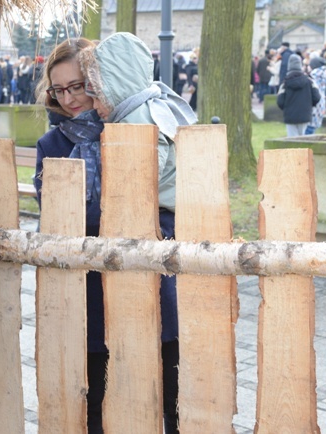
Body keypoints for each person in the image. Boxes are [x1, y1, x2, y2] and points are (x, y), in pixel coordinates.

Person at [79, 31, 198, 434]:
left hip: (153, 228)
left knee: (157, 321)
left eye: (96, 92)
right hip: (163, 225)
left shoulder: (134, 122)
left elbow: (132, 192)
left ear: (114, 82)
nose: (93, 104)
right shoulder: (148, 108)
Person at [32, 38, 104, 432]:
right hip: (84, 293)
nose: (70, 98)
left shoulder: (131, 131)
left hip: (146, 292)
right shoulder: (52, 143)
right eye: (60, 89)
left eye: (77, 85)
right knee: (92, 405)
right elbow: (55, 220)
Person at [276, 54, 321, 137]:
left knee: (292, 139)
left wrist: (286, 108)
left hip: (290, 115)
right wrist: (309, 106)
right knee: (302, 138)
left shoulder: (285, 83)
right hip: (305, 114)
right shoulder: (309, 81)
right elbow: (317, 97)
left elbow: (280, 101)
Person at [306, 55, 326, 135]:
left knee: (309, 129)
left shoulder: (314, 76)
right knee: (313, 127)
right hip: (321, 104)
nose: (307, 67)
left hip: (315, 104)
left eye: (309, 65)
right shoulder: (323, 75)